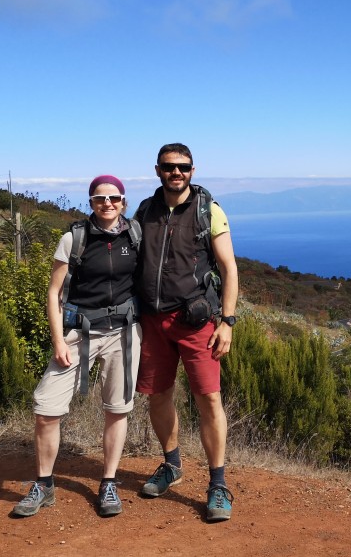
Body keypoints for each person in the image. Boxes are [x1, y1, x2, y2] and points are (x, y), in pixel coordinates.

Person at [11, 175, 141, 518]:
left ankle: (108, 482)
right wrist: (58, 340)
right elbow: (54, 292)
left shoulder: (135, 236)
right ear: (91, 202)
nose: (107, 203)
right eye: (100, 198)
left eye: (114, 198)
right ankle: (44, 484)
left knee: (117, 409)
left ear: (123, 201)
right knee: (46, 408)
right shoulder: (74, 238)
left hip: (124, 333)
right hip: (79, 332)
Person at [134, 143, 239, 523]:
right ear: (158, 170)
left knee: (208, 399)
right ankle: (172, 465)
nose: (175, 173)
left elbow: (228, 268)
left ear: (192, 170)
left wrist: (227, 322)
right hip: (153, 321)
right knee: (158, 395)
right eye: (169, 167)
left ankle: (218, 484)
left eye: (183, 167)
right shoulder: (145, 211)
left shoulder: (208, 210)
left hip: (197, 323)